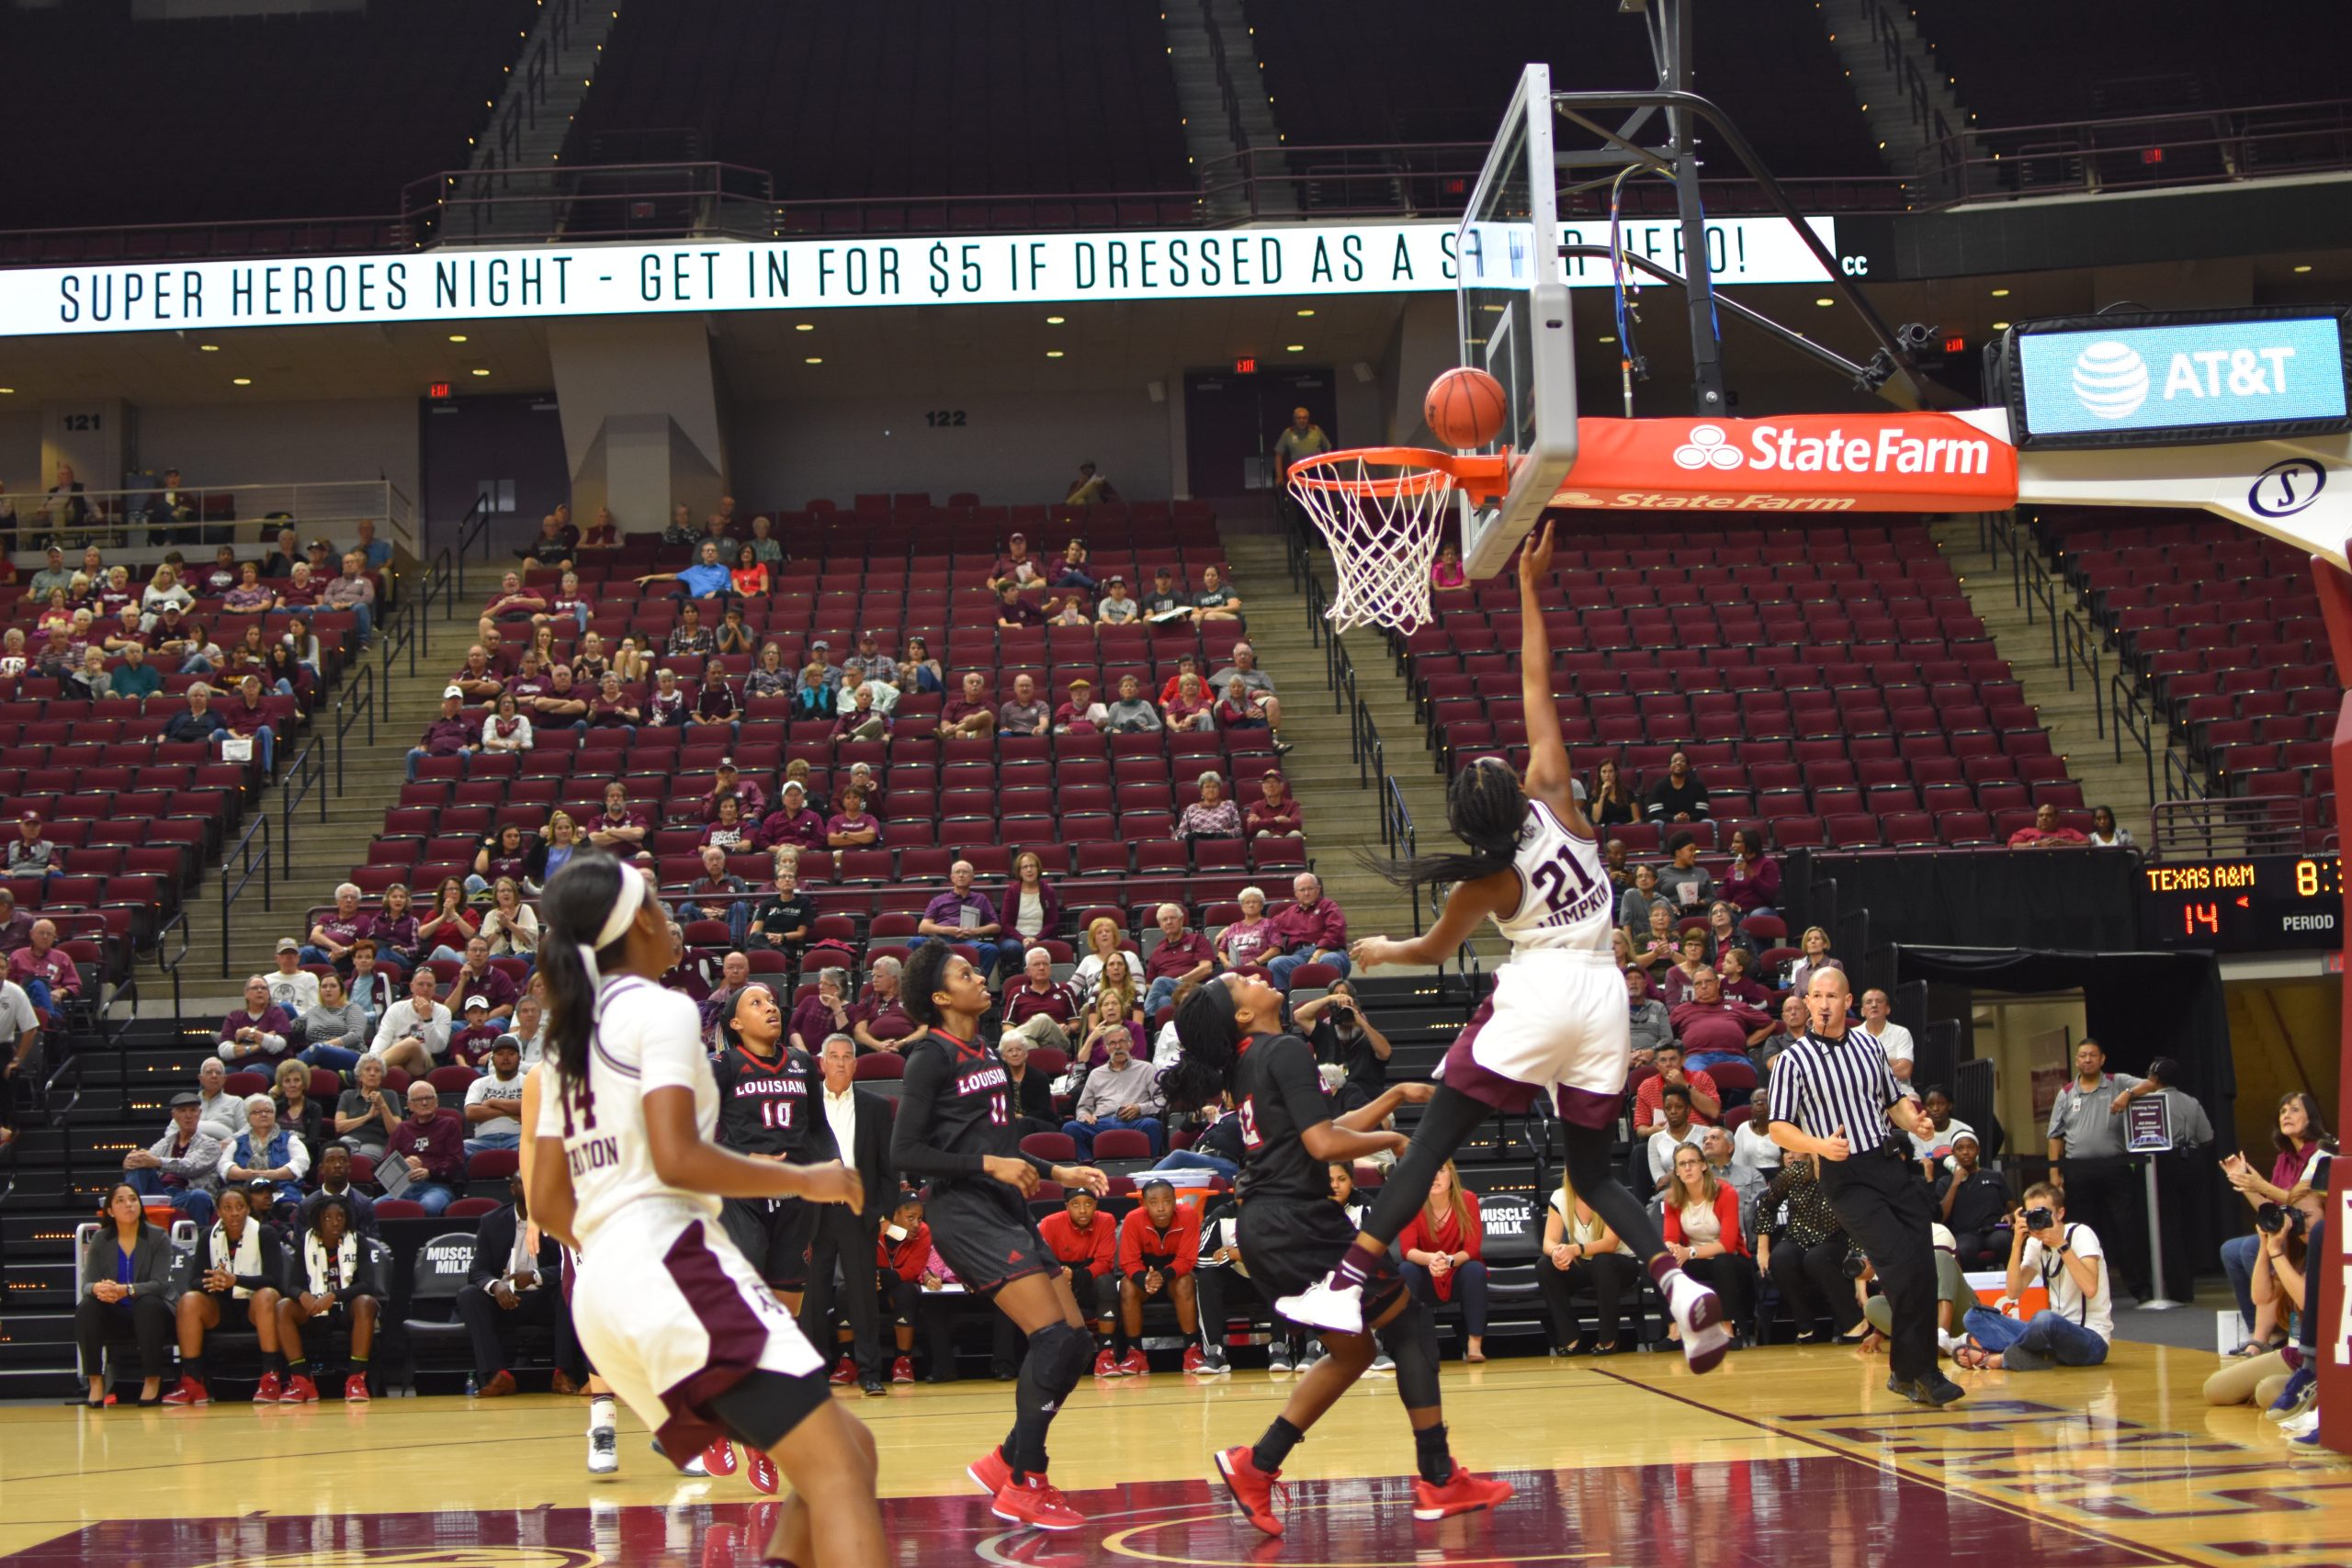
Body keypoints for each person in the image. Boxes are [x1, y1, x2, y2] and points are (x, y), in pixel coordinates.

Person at [1280, 525, 1726, 1372]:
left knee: (1434, 1141)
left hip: (1541, 992)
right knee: (1593, 1174)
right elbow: (1536, 677)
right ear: (1510, 787)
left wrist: (1377, 948)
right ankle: (1676, 1286)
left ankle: (1344, 1279)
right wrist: (1528, 585)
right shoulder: (1557, 794)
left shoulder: (1484, 882)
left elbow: (1428, 950)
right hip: (1607, 998)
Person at [527, 854, 884, 1546]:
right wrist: (807, 1178)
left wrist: (623, 1260)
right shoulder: (660, 1009)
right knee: (839, 1471)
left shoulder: (566, 1037)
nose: (674, 919)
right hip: (668, 1259)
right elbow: (677, 1158)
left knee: (849, 1451)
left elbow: (544, 1202)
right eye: (659, 903)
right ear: (637, 922)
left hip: (602, 1289)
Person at [1164, 972, 1510, 1534]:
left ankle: (1258, 1464)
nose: (1255, 976)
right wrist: (1397, 1140)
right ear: (1243, 1015)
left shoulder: (1255, 1057)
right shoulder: (1284, 1050)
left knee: (1353, 1353)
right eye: (1242, 982)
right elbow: (1324, 1146)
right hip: (1296, 1223)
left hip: (1267, 1225)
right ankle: (1439, 1477)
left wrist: (1393, 1097)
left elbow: (1315, 1133)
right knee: (1410, 1326)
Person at [888, 939, 1110, 1531]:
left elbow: (1002, 1140)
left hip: (1007, 1207)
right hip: (964, 1212)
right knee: (1052, 1341)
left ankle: (1005, 1460)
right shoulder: (929, 1057)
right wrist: (991, 1169)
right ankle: (1025, 1481)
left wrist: (1059, 1171)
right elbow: (904, 1152)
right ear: (940, 997)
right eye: (965, 974)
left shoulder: (984, 1047)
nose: (981, 978)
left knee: (1077, 1342)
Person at [1766, 967, 1963, 1406]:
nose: (1822, 1003)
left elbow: (1893, 1103)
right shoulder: (1793, 1061)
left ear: (1847, 1001)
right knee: (1898, 1265)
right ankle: (1921, 1371)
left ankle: (1910, 1373)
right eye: (1815, 995)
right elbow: (1778, 1127)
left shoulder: (1869, 1046)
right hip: (1844, 1175)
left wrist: (1920, 1123)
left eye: (1830, 996)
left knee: (1924, 1264)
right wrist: (1819, 1146)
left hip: (1888, 1164)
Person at [711, 980, 825, 1316]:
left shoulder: (802, 1063)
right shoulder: (724, 1064)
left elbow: (818, 1126)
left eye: (772, 1000)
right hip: (742, 1195)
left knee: (788, 1304)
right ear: (737, 1023)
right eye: (757, 1003)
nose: (771, 1007)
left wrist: (832, 1160)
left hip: (797, 1196)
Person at [803, 1035, 896, 1396]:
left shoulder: (875, 1106)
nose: (840, 1063)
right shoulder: (807, 1107)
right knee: (813, 1299)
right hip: (815, 1213)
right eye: (833, 1057)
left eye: (847, 1057)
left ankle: (870, 1372)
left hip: (858, 1212)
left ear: (856, 1065)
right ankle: (812, 1378)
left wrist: (882, 1213)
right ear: (821, 1063)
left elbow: (888, 1168)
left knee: (862, 1297)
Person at [1955, 1181, 2111, 1371]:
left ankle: (2002, 1358)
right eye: (2031, 1215)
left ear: (2060, 1214)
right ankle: (2035, 1355)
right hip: (2051, 1339)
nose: (2037, 1221)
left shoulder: (2081, 1234)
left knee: (2045, 1319)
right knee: (1974, 1316)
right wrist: (2016, 1244)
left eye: (2043, 1214)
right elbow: (2013, 1292)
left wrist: (2061, 1244)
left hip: (2091, 1340)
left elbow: (2090, 1288)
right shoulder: (2035, 1244)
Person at [161, 1184, 288, 1405]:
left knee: (267, 1294)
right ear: (218, 1212)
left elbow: (275, 1280)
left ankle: (271, 1377)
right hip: (221, 1308)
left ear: (248, 1209)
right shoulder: (208, 1235)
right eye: (227, 1208)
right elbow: (194, 1281)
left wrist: (235, 1279)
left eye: (239, 1206)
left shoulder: (264, 1233)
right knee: (189, 1300)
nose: (234, 1212)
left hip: (254, 1309)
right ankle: (192, 1382)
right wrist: (214, 1282)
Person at [2042, 1037, 2146, 1301]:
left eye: (2092, 1055)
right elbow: (2055, 1135)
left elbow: (2155, 1084)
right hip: (2079, 1170)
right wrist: (2055, 1174)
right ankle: (2087, 1289)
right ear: (2076, 1061)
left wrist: (2129, 1094)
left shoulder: (2117, 1082)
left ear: (2102, 1059)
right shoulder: (2066, 1092)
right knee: (2083, 1231)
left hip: (2116, 1168)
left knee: (2127, 1228)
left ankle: (2139, 1288)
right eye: (2082, 1056)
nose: (2087, 1060)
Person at [453, 1171, 566, 1397]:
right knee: (469, 1295)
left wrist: (536, 1275)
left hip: (544, 1300)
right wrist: (496, 1286)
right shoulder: (491, 1221)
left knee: (569, 1292)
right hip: (507, 1301)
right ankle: (498, 1375)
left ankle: (564, 1373)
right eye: (524, 1183)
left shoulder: (558, 1219)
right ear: (513, 1189)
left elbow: (570, 1266)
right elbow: (477, 1270)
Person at [272, 1193, 380, 1403]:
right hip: (314, 1311)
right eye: (328, 1217)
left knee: (366, 1302)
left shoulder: (358, 1240)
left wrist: (334, 1295)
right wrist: (301, 1294)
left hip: (346, 1311)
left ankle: (356, 1379)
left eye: (340, 1217)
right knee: (283, 1306)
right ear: (318, 1220)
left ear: (347, 1218)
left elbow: (368, 1285)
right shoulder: (306, 1241)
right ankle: (301, 1381)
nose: (335, 1222)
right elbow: (290, 1285)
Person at [77, 1184, 176, 1407]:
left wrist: (126, 1290)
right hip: (117, 1314)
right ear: (110, 1211)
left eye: (132, 1199)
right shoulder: (101, 1239)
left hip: (154, 1314)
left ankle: (152, 1380)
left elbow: (159, 1285)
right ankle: (95, 1381)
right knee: (87, 1307)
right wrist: (98, 1289)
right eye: (120, 1200)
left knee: (147, 1303)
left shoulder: (157, 1236)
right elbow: (87, 1285)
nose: (128, 1204)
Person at [1757, 1156, 1862, 1343]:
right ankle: (1805, 1327)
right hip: (1797, 1236)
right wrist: (1762, 1249)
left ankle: (1854, 1323)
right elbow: (1766, 1204)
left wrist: (1860, 1276)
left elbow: (1860, 1220)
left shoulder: (1852, 1174)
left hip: (1838, 1239)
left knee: (1816, 1258)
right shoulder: (1796, 1171)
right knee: (1780, 1258)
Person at [1662, 1142, 1755, 1348]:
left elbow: (1728, 1244)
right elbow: (1669, 1237)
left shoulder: (1726, 1192)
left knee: (1722, 1262)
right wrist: (1673, 1249)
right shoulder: (1672, 1199)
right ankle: (1674, 1332)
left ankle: (1727, 1329)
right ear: (1676, 1171)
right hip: (1694, 1259)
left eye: (1692, 1162)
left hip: (1731, 1260)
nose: (1687, 1168)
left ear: (1704, 1165)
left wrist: (1689, 1252)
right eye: (1682, 1164)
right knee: (1663, 1264)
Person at [1396, 1161, 1490, 1361]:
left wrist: (1448, 1261)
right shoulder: (1411, 1201)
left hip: (1457, 1271)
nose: (1435, 1177)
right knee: (1406, 1269)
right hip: (1426, 1273)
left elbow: (1472, 1250)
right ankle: (1411, 1346)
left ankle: (1474, 1346)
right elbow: (1407, 1250)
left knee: (1475, 1270)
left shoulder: (1468, 1199)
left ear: (1451, 1174)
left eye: (1440, 1171)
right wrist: (1431, 1259)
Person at [1536, 1178, 1638, 1356]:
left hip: (1620, 1263)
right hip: (1586, 1262)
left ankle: (1608, 1340)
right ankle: (1570, 1338)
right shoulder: (1560, 1197)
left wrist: (1574, 1249)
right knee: (1545, 1266)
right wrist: (1556, 1253)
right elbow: (1548, 1241)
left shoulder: (1611, 1195)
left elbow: (1609, 1244)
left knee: (1603, 1261)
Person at [1113, 1179, 1202, 1371]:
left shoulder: (1188, 1215)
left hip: (1173, 1278)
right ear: (1144, 1204)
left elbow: (1187, 1259)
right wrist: (1143, 1279)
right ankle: (1135, 1353)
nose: (1161, 1208)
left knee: (1185, 1283)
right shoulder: (1133, 1219)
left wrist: (1162, 1275)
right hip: (1144, 1280)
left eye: (1167, 1201)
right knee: (1127, 1286)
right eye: (1154, 1202)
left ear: (1175, 1202)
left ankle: (1192, 1350)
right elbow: (1128, 1261)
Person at [1036, 1189, 1124, 1373]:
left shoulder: (1106, 1220)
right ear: (1066, 1207)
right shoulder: (1049, 1224)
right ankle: (1055, 1357)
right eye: (1076, 1204)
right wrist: (1061, 1277)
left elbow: (1105, 1262)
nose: (1083, 1210)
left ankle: (1106, 1353)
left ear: (1096, 1205)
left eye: (1088, 1204)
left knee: (1107, 1282)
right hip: (1058, 1281)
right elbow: (1039, 1260)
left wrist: (1075, 1276)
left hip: (1087, 1281)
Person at [122, 1091, 225, 1229]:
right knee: (140, 1167)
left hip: (188, 1193)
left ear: (199, 1113)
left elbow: (190, 1167)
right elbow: (148, 1159)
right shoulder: (165, 1142)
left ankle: (201, 1242)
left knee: (199, 1196)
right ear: (174, 1116)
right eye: (182, 1111)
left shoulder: (211, 1144)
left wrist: (158, 1162)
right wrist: (129, 1163)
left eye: (193, 1110)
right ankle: (127, 1224)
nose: (188, 1116)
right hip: (162, 1192)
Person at [1062, 1028, 1164, 1156]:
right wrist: (1085, 1116)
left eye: (1122, 1041)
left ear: (1131, 1044)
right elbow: (1083, 1107)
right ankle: (1089, 1168)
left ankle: (1150, 1166)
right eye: (1112, 1043)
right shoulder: (1096, 1074)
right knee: (1070, 1128)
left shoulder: (1147, 1069)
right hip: (1102, 1122)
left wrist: (1140, 1108)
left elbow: (1161, 1101)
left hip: (1135, 1121)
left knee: (1152, 1125)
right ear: (1105, 1048)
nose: (1117, 1047)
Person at [1297, 982, 1391, 1113]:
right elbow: (1299, 1016)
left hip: (1368, 1104)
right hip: (1333, 1104)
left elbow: (1385, 1053)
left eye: (1346, 995)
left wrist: (1360, 1022)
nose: (1341, 999)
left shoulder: (1369, 1036)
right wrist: (1330, 999)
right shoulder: (1325, 1032)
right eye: (1337, 994)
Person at [387, 1079, 466, 1216]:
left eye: (428, 1098)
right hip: (403, 1188)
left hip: (437, 1186)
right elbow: (385, 1165)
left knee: (428, 1206)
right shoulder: (402, 1129)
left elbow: (456, 1161)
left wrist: (430, 1172)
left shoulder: (449, 1124)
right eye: (418, 1099)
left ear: (436, 1101)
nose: (424, 1103)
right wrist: (403, 1164)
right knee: (374, 1207)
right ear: (410, 1105)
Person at [919, 861, 1008, 980]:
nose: (961, 875)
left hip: (967, 940)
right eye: (957, 872)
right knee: (915, 941)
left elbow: (996, 926)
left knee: (991, 950)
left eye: (965, 872)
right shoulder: (938, 900)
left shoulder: (980, 899)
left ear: (972, 877)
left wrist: (974, 931)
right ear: (952, 877)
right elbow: (923, 927)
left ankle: (976, 981)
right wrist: (947, 930)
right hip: (941, 939)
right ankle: (925, 982)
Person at [1937, 1133, 2013, 1269]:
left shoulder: (1994, 1176)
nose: (1965, 1152)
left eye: (1970, 1148)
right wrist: (1955, 1182)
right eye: (1960, 1149)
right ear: (1953, 1153)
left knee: (2003, 1241)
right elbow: (1941, 1216)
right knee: (1964, 1249)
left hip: (1994, 1229)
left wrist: (2011, 1215)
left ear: (1978, 1150)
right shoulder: (1945, 1182)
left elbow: (2013, 1207)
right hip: (1965, 1233)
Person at [463, 1035, 528, 1154]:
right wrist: (514, 1113)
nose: (506, 1058)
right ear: (492, 1059)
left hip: (519, 1139)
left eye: (511, 1054)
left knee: (535, 1147)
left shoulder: (529, 1081)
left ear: (519, 1058)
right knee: (458, 1149)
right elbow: (471, 1113)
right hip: (481, 1142)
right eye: (500, 1054)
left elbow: (533, 1110)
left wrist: (492, 1102)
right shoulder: (479, 1083)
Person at [1645, 750, 1709, 823]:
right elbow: (1654, 813)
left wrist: (1688, 817)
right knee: (1656, 823)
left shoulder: (1698, 785)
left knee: (1708, 822)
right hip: (1667, 823)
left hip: (1692, 821)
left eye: (1682, 761)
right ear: (1670, 767)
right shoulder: (1659, 785)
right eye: (1674, 761)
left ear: (1688, 767)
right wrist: (1674, 818)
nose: (1678, 763)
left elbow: (1703, 812)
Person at [2008, 802, 2088, 849]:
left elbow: (2087, 843)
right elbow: (2012, 845)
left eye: (2049, 815)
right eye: (2041, 815)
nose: (2044, 818)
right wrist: (2036, 844)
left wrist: (2067, 843)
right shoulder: (2026, 831)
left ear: (2057, 818)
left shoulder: (2069, 831)